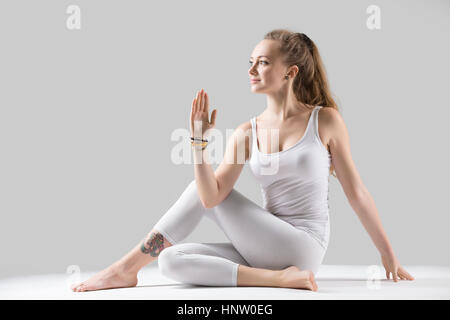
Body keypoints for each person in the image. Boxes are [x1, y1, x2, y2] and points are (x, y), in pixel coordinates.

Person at [71, 29, 414, 293]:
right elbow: (210, 198)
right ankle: (278, 279)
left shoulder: (324, 121)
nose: (251, 69)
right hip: (265, 249)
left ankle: (126, 269)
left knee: (198, 192)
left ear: (290, 72)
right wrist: (198, 142)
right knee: (172, 260)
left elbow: (357, 192)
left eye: (263, 62)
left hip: (304, 245)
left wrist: (387, 252)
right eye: (250, 61)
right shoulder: (246, 132)